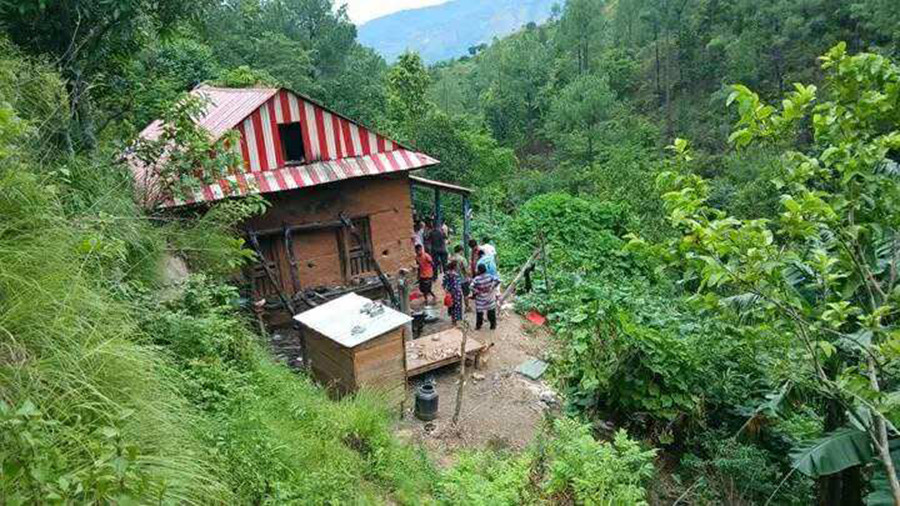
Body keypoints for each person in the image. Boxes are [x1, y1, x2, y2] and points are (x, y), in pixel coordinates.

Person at [471, 263, 499, 330]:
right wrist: (492, 287)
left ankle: (478, 326)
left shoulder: (477, 279)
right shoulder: (490, 276)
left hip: (480, 299)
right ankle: (493, 325)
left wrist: (476, 291)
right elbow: (498, 280)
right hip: (489, 298)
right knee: (491, 312)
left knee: (479, 313)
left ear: (479, 270)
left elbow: (471, 286)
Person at [450, 245, 470, 311]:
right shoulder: (462, 259)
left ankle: (457, 308)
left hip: (454, 280)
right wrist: (468, 276)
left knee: (456, 295)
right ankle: (467, 307)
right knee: (466, 294)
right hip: (463, 279)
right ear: (461, 251)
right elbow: (466, 270)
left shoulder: (451, 259)